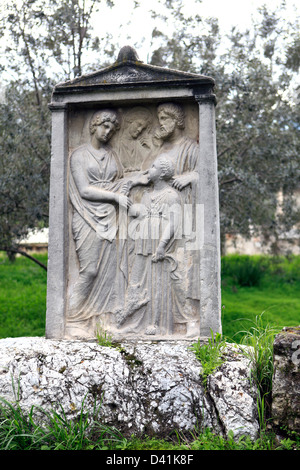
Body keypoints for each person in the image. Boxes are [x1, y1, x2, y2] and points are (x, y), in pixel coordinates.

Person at [66, 109, 131, 338]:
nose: (107, 132)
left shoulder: (112, 155)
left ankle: (102, 322)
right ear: (94, 126)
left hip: (109, 217)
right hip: (86, 216)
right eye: (104, 126)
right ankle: (72, 320)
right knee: (90, 271)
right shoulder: (78, 155)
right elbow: (84, 190)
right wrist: (114, 196)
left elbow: (119, 181)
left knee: (109, 272)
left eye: (111, 129)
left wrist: (135, 181)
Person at [115, 155, 194, 337]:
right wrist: (128, 188)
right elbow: (135, 212)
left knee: (156, 283)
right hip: (143, 242)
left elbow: (174, 224)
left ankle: (155, 323)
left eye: (153, 166)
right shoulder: (146, 196)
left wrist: (162, 246)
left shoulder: (171, 196)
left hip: (159, 243)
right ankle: (134, 320)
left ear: (163, 173)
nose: (148, 170)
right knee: (136, 281)